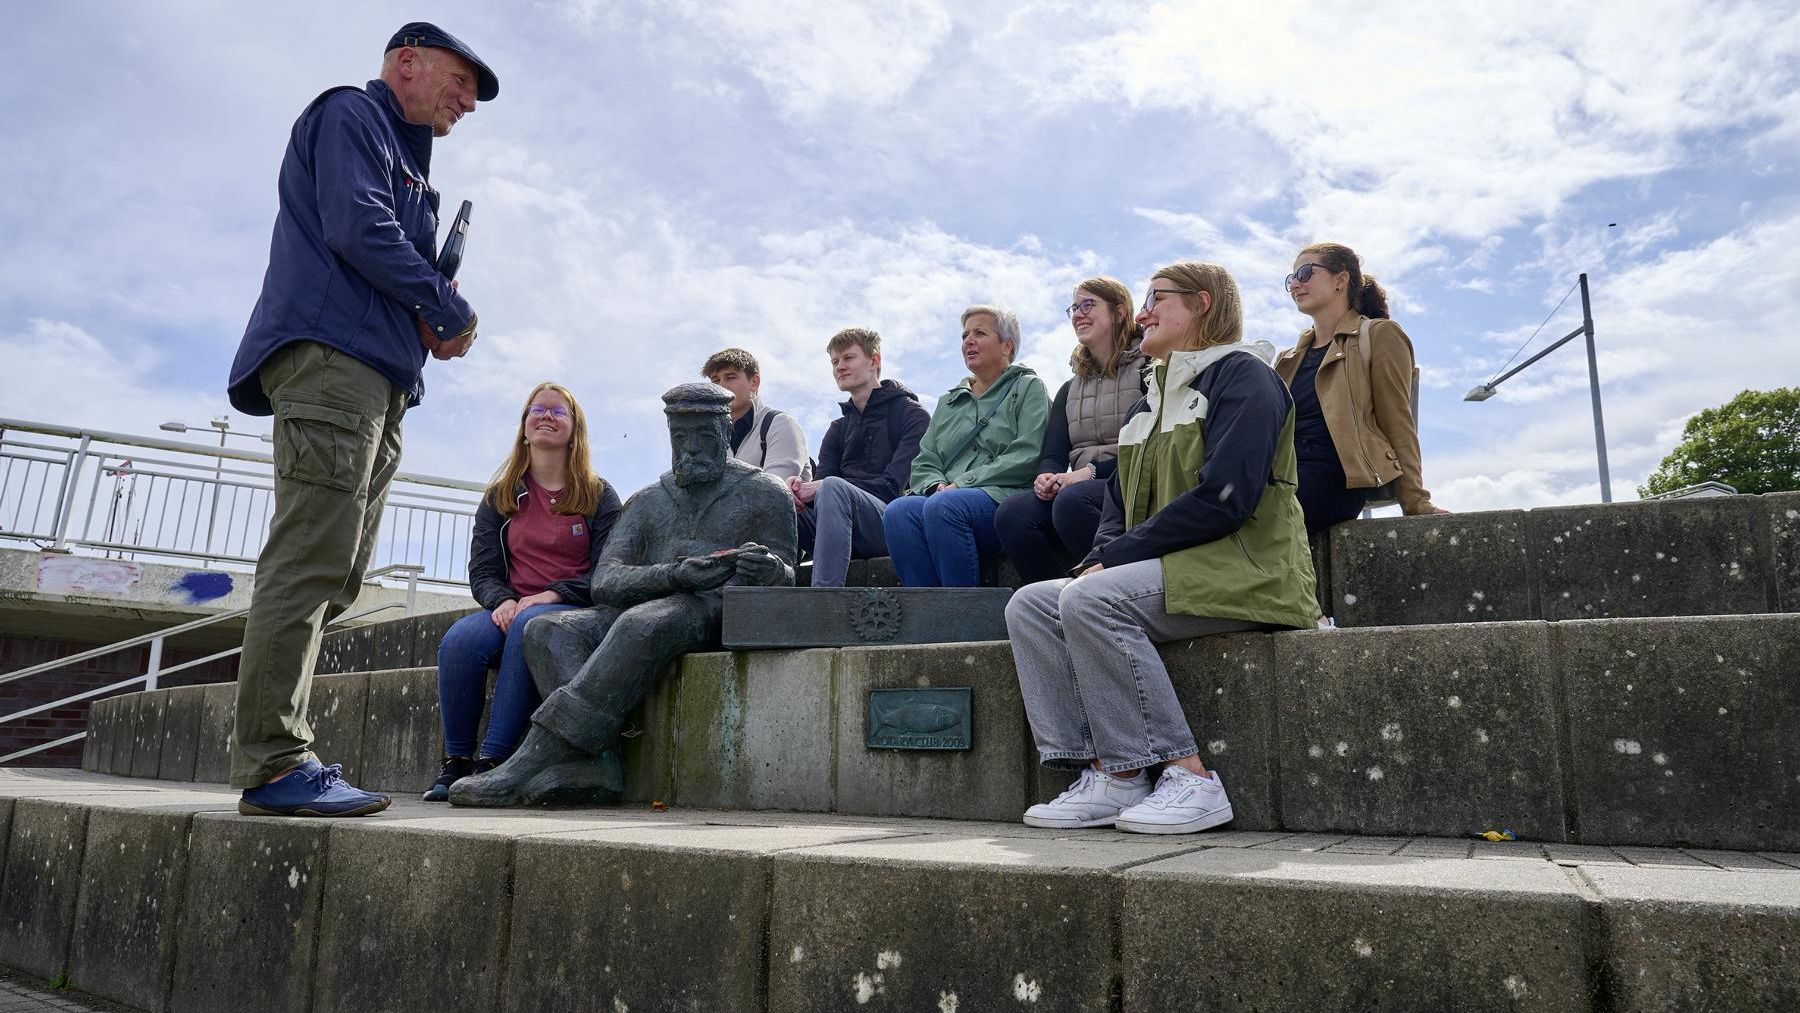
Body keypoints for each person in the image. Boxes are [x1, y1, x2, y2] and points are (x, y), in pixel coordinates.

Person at [224, 23, 499, 817]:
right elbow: (357, 226)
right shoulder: (355, 115)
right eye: (460, 79)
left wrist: (425, 323)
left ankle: (281, 751)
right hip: (332, 361)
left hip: (377, 374)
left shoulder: (413, 165)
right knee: (311, 559)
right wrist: (449, 305)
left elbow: (382, 258)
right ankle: (276, 760)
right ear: (405, 61)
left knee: (338, 571)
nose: (468, 101)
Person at [1006, 262, 1319, 835]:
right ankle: (1110, 775)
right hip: (1173, 566)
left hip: (1249, 566)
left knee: (1093, 600)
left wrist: (1113, 562)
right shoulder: (1149, 398)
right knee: (1031, 603)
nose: (1143, 311)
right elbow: (1117, 508)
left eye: (1157, 298)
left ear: (1202, 303)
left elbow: (1226, 497)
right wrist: (1095, 560)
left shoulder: (1244, 376)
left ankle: (1189, 776)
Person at [449, 382, 797, 807]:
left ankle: (538, 754)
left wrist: (769, 568)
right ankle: (597, 762)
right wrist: (677, 573)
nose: (689, 450)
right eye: (680, 439)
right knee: (545, 630)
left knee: (644, 623)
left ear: (726, 435)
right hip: (659, 597)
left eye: (703, 438)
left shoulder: (765, 492)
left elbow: (787, 574)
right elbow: (606, 581)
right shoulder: (649, 500)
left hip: (718, 608)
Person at [424, 383, 622, 801]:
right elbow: (482, 570)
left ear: (575, 429)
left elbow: (608, 570)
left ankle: (494, 759)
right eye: (537, 410)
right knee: (460, 642)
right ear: (524, 428)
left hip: (570, 607)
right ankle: (456, 760)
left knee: (530, 626)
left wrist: (551, 594)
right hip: (512, 604)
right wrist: (503, 600)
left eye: (558, 411)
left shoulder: (599, 495)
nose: (546, 416)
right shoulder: (500, 496)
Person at [1273, 243, 1442, 531]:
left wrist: (1415, 501)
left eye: (1305, 272)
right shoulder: (1288, 359)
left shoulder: (1379, 335)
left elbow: (1397, 420)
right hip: (1283, 475)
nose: (1296, 284)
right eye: (1291, 278)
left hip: (1333, 480)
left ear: (1341, 279)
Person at [882, 306, 1050, 587]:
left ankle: (961, 613)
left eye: (980, 333)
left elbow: (1028, 453)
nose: (968, 341)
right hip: (944, 498)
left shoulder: (1029, 387)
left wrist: (963, 483)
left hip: (1002, 497)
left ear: (1007, 345)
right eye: (964, 335)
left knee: (944, 507)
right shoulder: (947, 403)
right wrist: (935, 485)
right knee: (898, 512)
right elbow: (926, 460)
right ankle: (925, 616)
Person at [995, 278, 1145, 583]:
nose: (1078, 314)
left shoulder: (1149, 370)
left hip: (1129, 480)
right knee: (1014, 513)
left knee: (1073, 502)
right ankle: (1058, 599)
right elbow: (1053, 452)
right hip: (1077, 484)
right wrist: (1047, 476)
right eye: (1073, 308)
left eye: (1088, 304)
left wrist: (1090, 472)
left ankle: (1113, 587)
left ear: (1119, 312)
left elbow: (1150, 447)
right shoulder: (1069, 389)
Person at [788, 328, 931, 587]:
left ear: (874, 361)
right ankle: (765, 596)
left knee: (832, 487)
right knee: (776, 500)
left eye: (848, 358)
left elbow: (893, 488)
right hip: (837, 524)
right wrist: (797, 491)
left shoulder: (913, 417)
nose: (839, 367)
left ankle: (821, 602)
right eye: (834, 362)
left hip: (890, 524)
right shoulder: (838, 429)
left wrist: (825, 488)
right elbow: (819, 496)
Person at [702, 348, 812, 481]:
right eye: (715, 381)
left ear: (754, 382)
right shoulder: (708, 436)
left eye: (730, 377)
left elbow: (775, 491)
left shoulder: (781, 425)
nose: (722, 386)